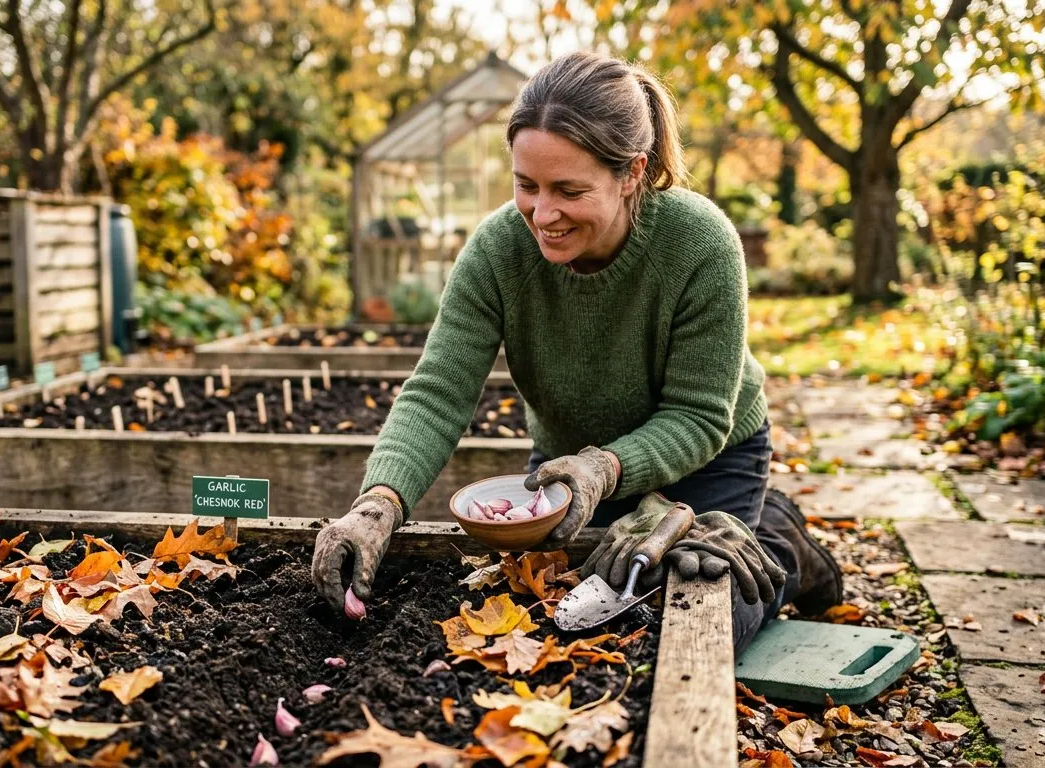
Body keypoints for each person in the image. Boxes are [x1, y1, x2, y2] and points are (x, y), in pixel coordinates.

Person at [311, 51, 842, 653]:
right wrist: (378, 505)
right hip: (570, 468)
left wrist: (607, 468)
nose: (543, 213)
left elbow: (699, 415)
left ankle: (778, 537)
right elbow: (438, 392)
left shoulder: (700, 243)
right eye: (525, 185)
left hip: (708, 461)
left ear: (632, 173)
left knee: (687, 616)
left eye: (569, 190)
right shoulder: (498, 252)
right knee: (569, 614)